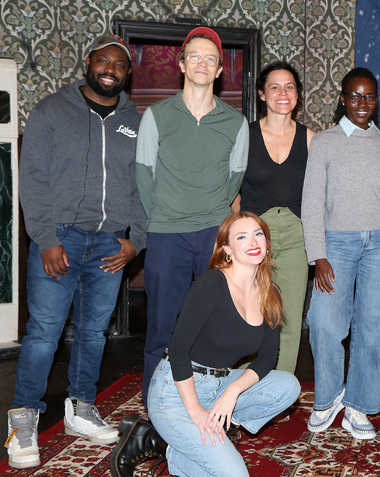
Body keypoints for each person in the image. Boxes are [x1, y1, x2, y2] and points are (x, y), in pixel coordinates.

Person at [9, 34, 146, 469]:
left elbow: (145, 185)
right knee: (45, 333)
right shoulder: (51, 111)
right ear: (88, 63)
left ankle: (81, 408)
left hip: (110, 242)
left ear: (127, 73)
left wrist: (136, 239)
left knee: (93, 332)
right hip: (60, 239)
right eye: (103, 61)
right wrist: (45, 239)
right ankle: (23, 420)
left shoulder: (136, 122)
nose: (110, 69)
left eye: (120, 65)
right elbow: (31, 180)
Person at [110, 212, 301, 477]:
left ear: (267, 243)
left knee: (288, 386)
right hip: (176, 392)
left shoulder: (271, 292)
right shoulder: (212, 283)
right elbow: (178, 350)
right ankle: (166, 443)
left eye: (258, 234)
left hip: (219, 384)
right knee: (236, 475)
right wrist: (196, 411)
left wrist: (232, 392)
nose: (253, 241)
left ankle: (187, 436)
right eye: (241, 236)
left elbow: (268, 357)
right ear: (227, 249)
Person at [136, 26, 249, 406]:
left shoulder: (235, 124)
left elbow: (234, 179)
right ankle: (157, 409)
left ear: (219, 70)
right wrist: (165, 218)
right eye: (195, 56)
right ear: (182, 64)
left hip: (214, 237)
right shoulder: (156, 116)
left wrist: (212, 216)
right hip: (167, 234)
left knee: (214, 323)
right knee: (162, 325)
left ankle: (206, 401)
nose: (203, 63)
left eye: (211, 58)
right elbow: (144, 175)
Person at [301, 67, 380, 439]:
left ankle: (360, 405)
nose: (362, 103)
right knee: (324, 322)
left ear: (377, 101)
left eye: (370, 97)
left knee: (375, 325)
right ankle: (329, 396)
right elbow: (312, 202)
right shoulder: (324, 143)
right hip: (336, 244)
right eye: (355, 96)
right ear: (342, 99)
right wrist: (317, 255)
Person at [237, 61, 315, 373]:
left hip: (297, 236)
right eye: (274, 87)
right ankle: (241, 390)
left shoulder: (312, 139)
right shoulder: (244, 136)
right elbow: (232, 194)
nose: (282, 93)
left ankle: (279, 391)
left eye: (290, 87)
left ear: (298, 95)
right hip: (254, 237)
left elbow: (321, 194)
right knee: (250, 314)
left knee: (290, 318)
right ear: (262, 94)